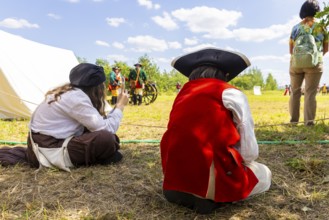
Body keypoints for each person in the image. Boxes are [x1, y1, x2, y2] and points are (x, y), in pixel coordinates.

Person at [160, 47, 272, 214]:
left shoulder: (182, 93)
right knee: (264, 173)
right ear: (225, 75)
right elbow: (249, 153)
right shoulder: (231, 92)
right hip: (209, 190)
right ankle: (216, 194)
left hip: (172, 186)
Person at [0, 63, 129, 171]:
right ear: (97, 88)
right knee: (106, 138)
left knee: (105, 138)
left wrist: (116, 108)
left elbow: (98, 123)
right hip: (48, 148)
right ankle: (101, 154)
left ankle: (101, 154)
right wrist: (120, 107)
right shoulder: (76, 98)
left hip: (47, 142)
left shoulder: (72, 93)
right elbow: (106, 129)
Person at [289, 0, 329, 126]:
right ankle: (309, 123)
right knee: (310, 92)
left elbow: (291, 50)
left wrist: (300, 58)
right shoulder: (322, 27)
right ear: (317, 11)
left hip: (296, 64)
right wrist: (314, 58)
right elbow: (326, 47)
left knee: (295, 91)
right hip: (315, 63)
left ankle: (293, 122)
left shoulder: (296, 27)